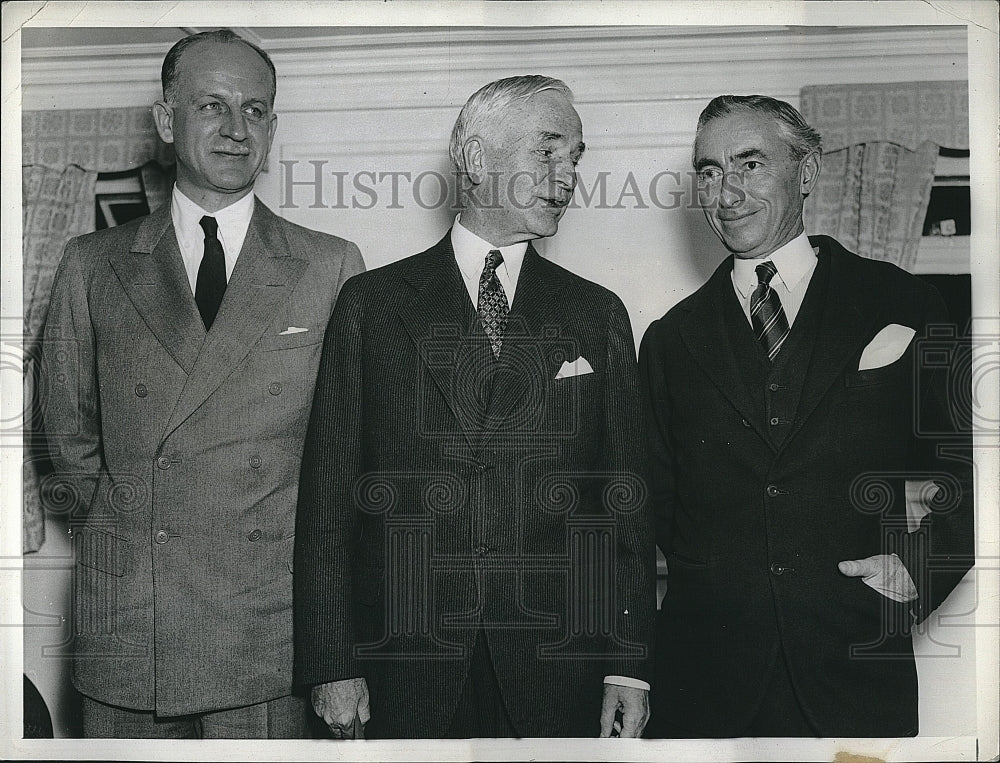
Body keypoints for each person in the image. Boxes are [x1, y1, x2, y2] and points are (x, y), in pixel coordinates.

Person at [294, 75, 655, 739]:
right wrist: (331, 661)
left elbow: (622, 505)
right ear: (475, 157)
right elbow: (326, 504)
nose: (568, 174)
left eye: (575, 157)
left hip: (557, 671)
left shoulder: (596, 313)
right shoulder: (371, 306)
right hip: (405, 668)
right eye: (547, 152)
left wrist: (627, 666)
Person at [42, 29, 364, 738]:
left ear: (272, 128)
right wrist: (129, 534)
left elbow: (345, 462)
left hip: (265, 635)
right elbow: (63, 439)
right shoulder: (93, 263)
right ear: (166, 121)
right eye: (211, 105)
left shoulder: (330, 266)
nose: (235, 128)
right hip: (133, 630)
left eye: (254, 110)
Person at [639, 94, 974, 737]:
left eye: (750, 164)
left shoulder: (905, 301)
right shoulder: (669, 340)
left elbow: (970, 466)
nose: (726, 192)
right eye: (708, 171)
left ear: (809, 172)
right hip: (705, 685)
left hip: (854, 671)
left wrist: (920, 565)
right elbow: (659, 505)